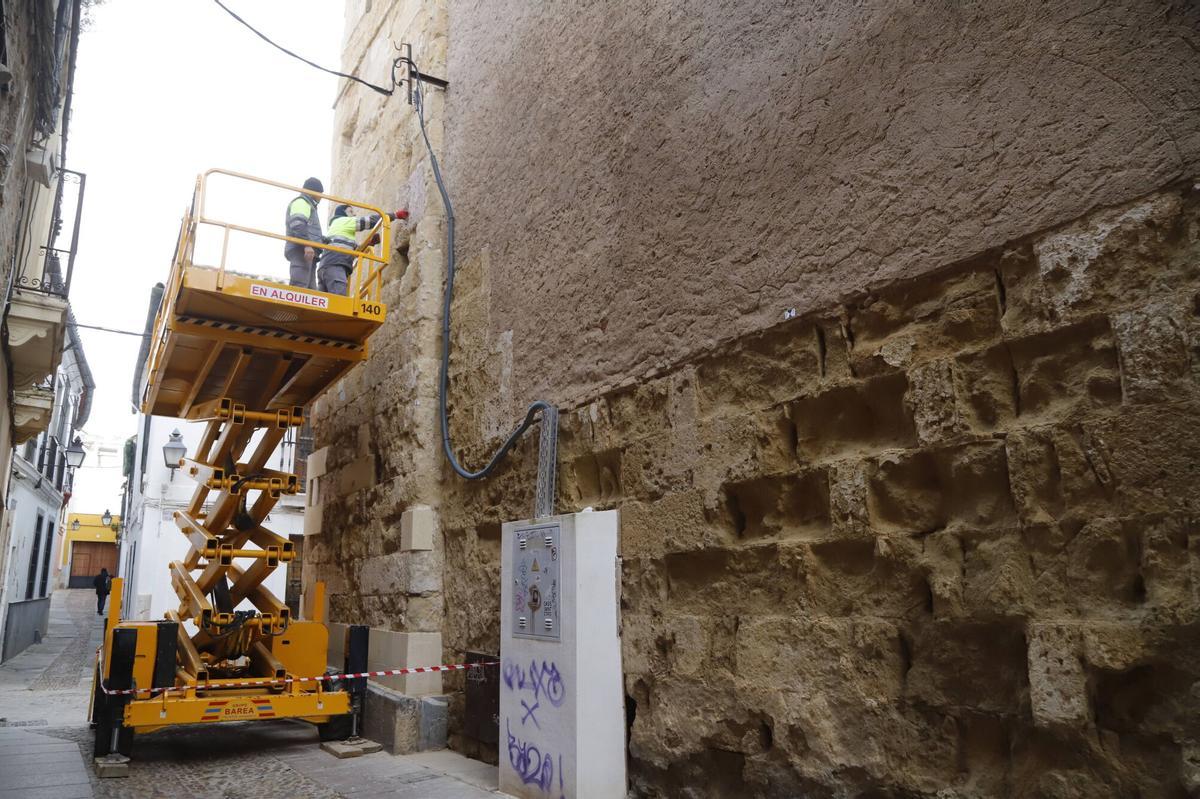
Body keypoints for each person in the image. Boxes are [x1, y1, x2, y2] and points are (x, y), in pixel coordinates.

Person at [318, 204, 397, 296]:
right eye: (351, 211)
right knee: (339, 301)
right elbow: (368, 221)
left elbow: (354, 251)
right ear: (343, 213)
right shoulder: (343, 221)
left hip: (324, 268)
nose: (354, 214)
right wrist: (394, 215)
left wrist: (369, 243)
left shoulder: (336, 228)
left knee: (323, 305)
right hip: (335, 266)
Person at [284, 177, 325, 288]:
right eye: (320, 193)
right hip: (301, 251)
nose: (321, 197)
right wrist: (307, 245)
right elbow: (298, 224)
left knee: (309, 293)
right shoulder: (302, 202)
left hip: (309, 253)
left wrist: (323, 240)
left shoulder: (308, 205)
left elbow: (308, 229)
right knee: (299, 289)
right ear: (314, 191)